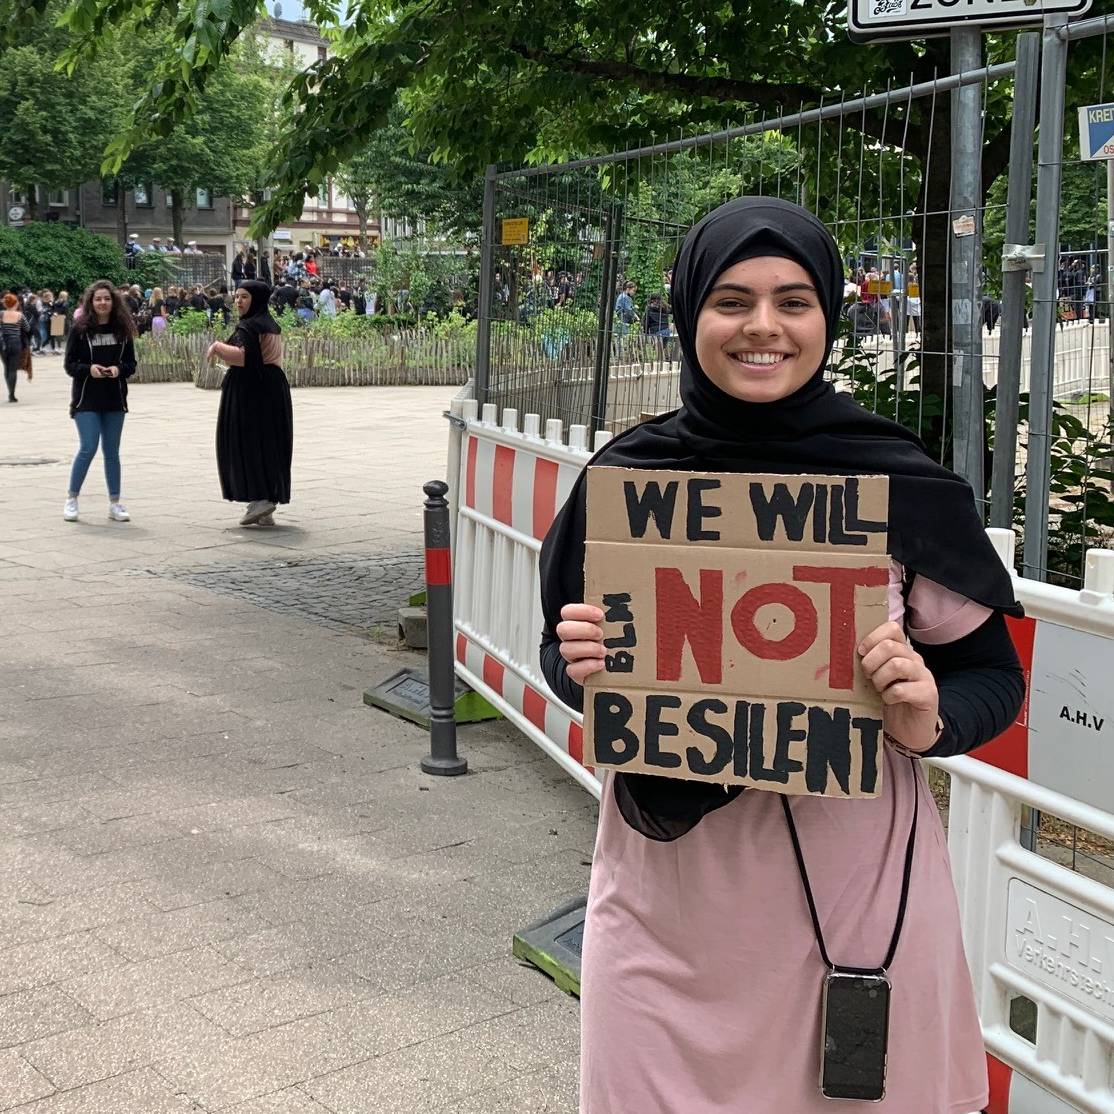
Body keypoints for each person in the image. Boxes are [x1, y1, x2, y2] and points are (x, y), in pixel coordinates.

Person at [539, 196, 1025, 1114]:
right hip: (666, 905)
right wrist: (586, 668)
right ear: (691, 316)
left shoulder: (896, 486)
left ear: (829, 318)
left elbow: (993, 679)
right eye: (732, 300)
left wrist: (931, 715)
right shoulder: (629, 481)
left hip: (856, 905)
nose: (763, 326)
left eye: (793, 301)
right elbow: (567, 662)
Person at [206, 281, 293, 527]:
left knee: (249, 442)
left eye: (244, 297)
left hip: (252, 391)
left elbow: (245, 358)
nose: (238, 301)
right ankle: (264, 502)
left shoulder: (250, 326)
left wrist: (217, 347)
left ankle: (260, 498)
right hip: (271, 388)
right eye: (236, 297)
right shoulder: (268, 323)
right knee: (268, 443)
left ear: (257, 299)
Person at [62, 281, 137, 522]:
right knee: (88, 447)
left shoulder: (123, 330)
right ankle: (72, 498)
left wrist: (118, 369)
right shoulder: (80, 330)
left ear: (113, 301)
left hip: (115, 398)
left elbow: (131, 364)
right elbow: (70, 364)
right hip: (87, 399)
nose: (102, 303)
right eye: (98, 299)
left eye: (106, 298)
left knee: (112, 452)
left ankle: (115, 503)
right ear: (90, 303)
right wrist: (88, 369)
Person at [1, 292, 31, 402]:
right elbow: (27, 328)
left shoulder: (1, 314)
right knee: (13, 369)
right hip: (16, 343)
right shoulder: (20, 315)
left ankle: (10, 391)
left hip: (3, 343)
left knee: (6, 368)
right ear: (15, 303)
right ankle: (11, 395)